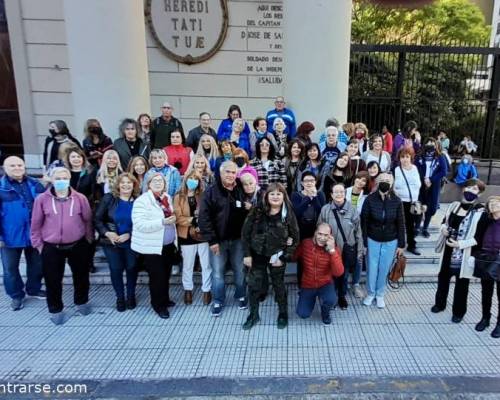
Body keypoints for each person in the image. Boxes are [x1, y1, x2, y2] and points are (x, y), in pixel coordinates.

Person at [31, 167, 93, 325]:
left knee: (81, 276)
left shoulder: (80, 198)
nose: (61, 181)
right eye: (58, 178)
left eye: (65, 177)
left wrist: (88, 240)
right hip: (51, 246)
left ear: (70, 179)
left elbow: (87, 220)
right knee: (52, 280)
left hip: (77, 244)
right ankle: (56, 309)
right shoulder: (41, 199)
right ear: (51, 179)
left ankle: (82, 302)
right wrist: (39, 245)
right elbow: (36, 224)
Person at [242, 183, 299, 329]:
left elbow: (295, 238)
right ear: (266, 196)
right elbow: (245, 233)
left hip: (277, 257)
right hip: (257, 255)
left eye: (278, 194)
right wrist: (247, 254)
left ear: (283, 196)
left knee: (279, 286)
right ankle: (253, 315)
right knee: (254, 286)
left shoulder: (288, 214)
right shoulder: (257, 211)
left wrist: (284, 257)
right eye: (272, 193)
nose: (275, 196)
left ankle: (283, 314)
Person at [431, 179, 488, 323]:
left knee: (462, 284)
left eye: (475, 189)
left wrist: (460, 243)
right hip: (448, 250)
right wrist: (443, 229)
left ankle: (459, 312)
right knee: (443, 278)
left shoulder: (480, 212)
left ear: (479, 193)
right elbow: (445, 222)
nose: (471, 190)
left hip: (464, 253)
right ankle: (440, 304)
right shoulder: (454, 206)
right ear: (463, 189)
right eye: (469, 187)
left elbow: (478, 238)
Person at [198, 161, 248, 317]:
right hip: (218, 241)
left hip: (238, 239)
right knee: (218, 272)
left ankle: (241, 295)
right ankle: (218, 300)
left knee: (240, 270)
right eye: (227, 172)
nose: (231, 175)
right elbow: (204, 218)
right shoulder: (211, 192)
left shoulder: (240, 189)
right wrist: (212, 241)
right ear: (220, 173)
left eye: (233, 172)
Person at [0, 156, 45, 311]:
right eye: (12, 165)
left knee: (36, 264)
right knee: (10, 269)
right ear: (5, 168)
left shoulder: (35, 183)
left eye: (20, 165)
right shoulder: (1, 187)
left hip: (34, 233)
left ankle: (33, 288)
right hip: (9, 235)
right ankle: (16, 295)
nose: (17, 168)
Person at [131, 172, 177, 319]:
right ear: (148, 184)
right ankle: (158, 305)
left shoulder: (166, 198)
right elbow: (140, 224)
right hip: (152, 246)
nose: (158, 183)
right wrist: (162, 222)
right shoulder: (142, 201)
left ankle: (165, 298)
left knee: (166, 274)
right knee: (157, 276)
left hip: (168, 244)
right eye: (154, 181)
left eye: (161, 181)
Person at [94, 173, 138, 312]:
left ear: (134, 185)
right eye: (123, 182)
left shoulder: (138, 200)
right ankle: (120, 297)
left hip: (131, 241)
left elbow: (142, 222)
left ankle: (130, 296)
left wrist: (129, 234)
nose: (126, 185)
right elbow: (97, 219)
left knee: (131, 268)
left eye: (129, 182)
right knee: (116, 269)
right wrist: (108, 233)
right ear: (118, 185)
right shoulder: (109, 199)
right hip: (111, 242)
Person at [361, 173, 406, 309]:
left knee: (384, 267)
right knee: (372, 267)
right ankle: (370, 293)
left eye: (388, 180)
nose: (385, 182)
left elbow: (401, 223)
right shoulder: (369, 199)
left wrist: (401, 244)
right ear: (377, 182)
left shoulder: (397, 201)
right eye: (382, 180)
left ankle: (380, 294)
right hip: (372, 238)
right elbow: (364, 222)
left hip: (391, 239)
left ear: (392, 183)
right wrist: (363, 242)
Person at [318, 183, 364, 309]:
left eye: (341, 192)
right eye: (336, 192)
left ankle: (342, 296)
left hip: (347, 249)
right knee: (330, 273)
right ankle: (331, 296)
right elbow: (319, 228)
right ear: (331, 194)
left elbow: (358, 232)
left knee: (343, 274)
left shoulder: (352, 209)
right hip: (330, 248)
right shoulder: (325, 209)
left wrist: (359, 250)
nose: (339, 194)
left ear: (345, 193)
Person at [174, 171, 212, 306]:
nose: (193, 181)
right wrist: (193, 221)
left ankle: (206, 290)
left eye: (195, 179)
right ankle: (188, 290)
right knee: (188, 265)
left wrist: (201, 224)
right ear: (185, 180)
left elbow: (209, 213)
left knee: (206, 264)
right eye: (190, 178)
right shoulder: (179, 197)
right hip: (186, 235)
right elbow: (178, 217)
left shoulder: (203, 195)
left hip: (202, 234)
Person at [294, 223, 344, 324]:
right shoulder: (306, 244)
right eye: (320, 234)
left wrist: (332, 251)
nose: (322, 238)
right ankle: (309, 300)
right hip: (308, 284)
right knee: (302, 314)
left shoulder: (334, 249)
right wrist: (289, 244)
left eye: (326, 235)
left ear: (330, 237)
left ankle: (325, 313)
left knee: (331, 300)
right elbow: (293, 256)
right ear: (315, 233)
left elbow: (338, 273)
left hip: (325, 283)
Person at [474, 196, 500, 337]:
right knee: (486, 292)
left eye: (496, 203)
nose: (493, 205)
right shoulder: (485, 220)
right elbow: (477, 237)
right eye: (491, 204)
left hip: (499, 260)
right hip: (486, 260)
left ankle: (499, 323)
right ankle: (485, 318)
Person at [415, 137, 448, 238]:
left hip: (434, 185)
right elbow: (416, 168)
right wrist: (424, 179)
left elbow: (443, 171)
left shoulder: (440, 156)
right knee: (419, 205)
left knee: (431, 207)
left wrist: (431, 179)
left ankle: (425, 228)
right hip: (421, 184)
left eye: (432, 143)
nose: (430, 144)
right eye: (428, 142)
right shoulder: (420, 156)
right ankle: (416, 227)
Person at [393, 148, 422, 256]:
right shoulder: (396, 170)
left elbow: (418, 184)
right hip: (401, 202)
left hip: (413, 202)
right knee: (398, 224)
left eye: (407, 157)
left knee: (411, 225)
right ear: (399, 158)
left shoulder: (415, 168)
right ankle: (397, 245)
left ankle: (411, 245)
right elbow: (395, 186)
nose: (405, 159)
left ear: (411, 158)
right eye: (402, 157)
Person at [292, 171, 327, 241]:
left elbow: (322, 212)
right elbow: (296, 212)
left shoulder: (320, 194)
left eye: (311, 181)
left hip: (316, 228)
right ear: (302, 183)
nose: (309, 183)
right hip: (300, 228)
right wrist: (308, 197)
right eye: (306, 181)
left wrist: (314, 197)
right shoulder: (295, 195)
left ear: (315, 182)